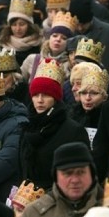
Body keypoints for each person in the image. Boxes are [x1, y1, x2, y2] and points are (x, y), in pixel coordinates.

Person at [19, 58, 89, 188]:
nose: (40, 100)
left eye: (46, 95)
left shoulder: (73, 131)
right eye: (36, 95)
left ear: (55, 98)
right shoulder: (27, 128)